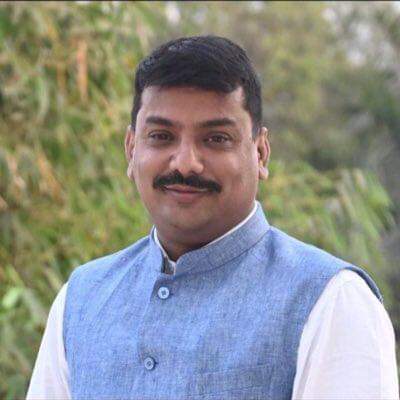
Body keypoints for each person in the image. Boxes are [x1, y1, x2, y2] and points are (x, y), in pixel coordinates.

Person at [27, 35, 398, 400]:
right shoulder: (82, 300)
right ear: (131, 149)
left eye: (216, 138)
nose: (185, 163)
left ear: (261, 153)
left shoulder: (332, 301)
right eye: (161, 136)